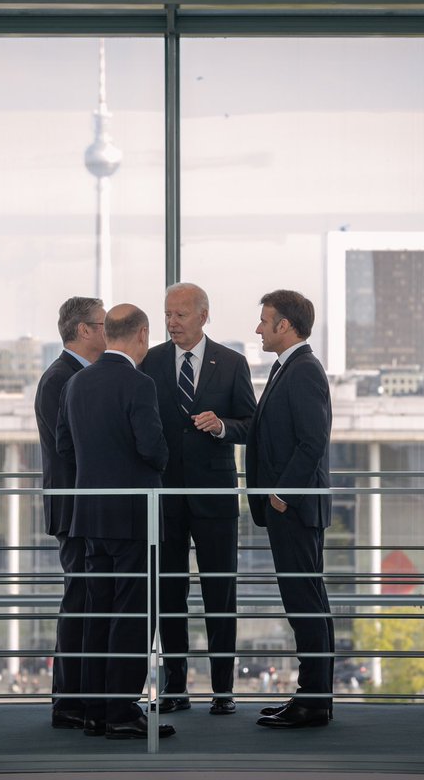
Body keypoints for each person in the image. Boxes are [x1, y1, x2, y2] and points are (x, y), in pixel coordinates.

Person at [56, 303, 175, 740]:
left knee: (96, 613)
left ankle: (94, 713)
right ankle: (123, 712)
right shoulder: (138, 385)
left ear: (109, 334)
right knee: (133, 615)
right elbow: (154, 450)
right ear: (142, 334)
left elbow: (63, 447)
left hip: (89, 517)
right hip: (132, 518)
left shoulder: (76, 384)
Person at [139, 282, 256, 716]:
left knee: (220, 592)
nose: (171, 323)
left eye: (181, 315)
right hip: (165, 497)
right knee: (169, 593)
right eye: (168, 314)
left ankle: (223, 691)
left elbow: (249, 424)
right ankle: (174, 688)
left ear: (203, 316)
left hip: (215, 497)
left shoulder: (232, 363)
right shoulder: (147, 362)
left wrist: (223, 425)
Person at [245, 289, 335, 729]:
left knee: (305, 604)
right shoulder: (290, 369)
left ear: (285, 326)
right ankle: (312, 697)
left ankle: (313, 701)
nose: (258, 328)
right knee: (305, 603)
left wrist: (281, 494)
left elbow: (312, 441)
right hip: (291, 509)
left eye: (264, 321)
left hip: (295, 510)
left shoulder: (303, 371)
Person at [33, 296, 106, 730]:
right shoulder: (61, 379)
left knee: (84, 602)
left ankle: (77, 699)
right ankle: (68, 702)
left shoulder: (74, 376)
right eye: (101, 325)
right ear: (82, 331)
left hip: (83, 508)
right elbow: (73, 450)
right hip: (76, 510)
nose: (106, 332)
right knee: (79, 604)